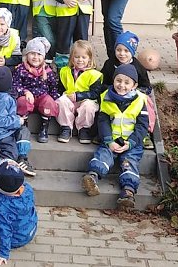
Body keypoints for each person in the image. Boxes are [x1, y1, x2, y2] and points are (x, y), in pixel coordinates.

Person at [82, 64, 152, 208]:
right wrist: (109, 140)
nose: (122, 85)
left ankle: (128, 191)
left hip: (132, 143)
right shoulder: (106, 97)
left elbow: (142, 126)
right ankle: (92, 177)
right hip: (111, 140)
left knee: (129, 162)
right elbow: (103, 122)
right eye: (118, 80)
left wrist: (130, 142)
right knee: (103, 155)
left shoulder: (140, 100)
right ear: (113, 80)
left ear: (134, 85)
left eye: (127, 82)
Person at [100, 31, 156, 148]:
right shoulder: (109, 64)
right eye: (118, 50)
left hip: (132, 97)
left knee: (147, 104)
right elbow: (102, 82)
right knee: (100, 103)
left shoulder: (138, 66)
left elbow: (146, 86)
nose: (122, 54)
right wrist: (111, 89)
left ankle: (146, 134)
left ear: (132, 51)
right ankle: (100, 133)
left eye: (126, 51)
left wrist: (137, 92)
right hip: (112, 95)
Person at [12, 37, 60, 143]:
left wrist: (54, 100)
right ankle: (23, 126)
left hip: (41, 99)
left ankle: (44, 127)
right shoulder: (20, 69)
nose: (35, 57)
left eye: (39, 54)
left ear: (43, 57)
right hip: (27, 98)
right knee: (22, 102)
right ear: (26, 55)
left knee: (49, 101)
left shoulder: (48, 71)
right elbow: (15, 85)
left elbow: (53, 88)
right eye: (32, 54)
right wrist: (25, 92)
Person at [55, 40, 103, 144]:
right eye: (77, 57)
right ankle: (66, 127)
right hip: (69, 100)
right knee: (61, 101)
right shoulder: (64, 71)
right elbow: (60, 88)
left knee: (89, 106)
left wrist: (78, 96)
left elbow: (95, 93)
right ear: (72, 58)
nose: (80, 60)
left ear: (89, 58)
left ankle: (84, 129)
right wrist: (60, 95)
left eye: (84, 57)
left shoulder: (94, 74)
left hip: (85, 100)